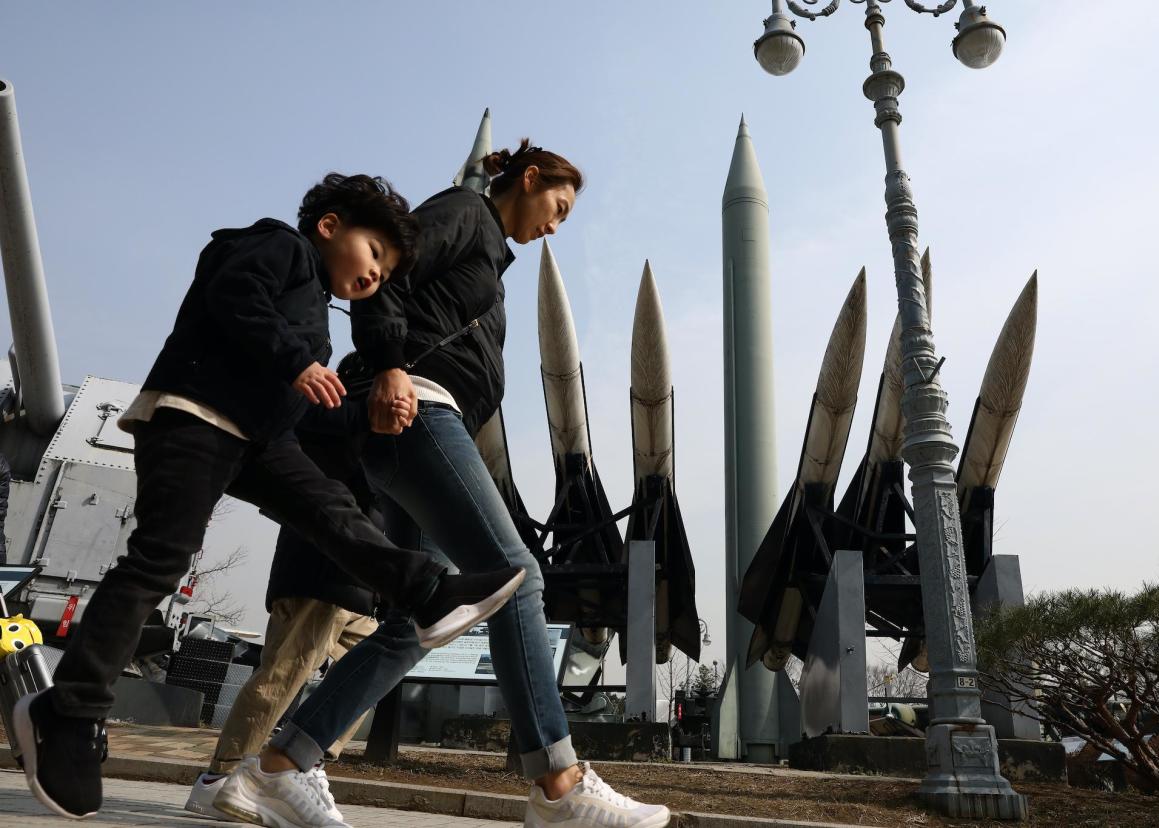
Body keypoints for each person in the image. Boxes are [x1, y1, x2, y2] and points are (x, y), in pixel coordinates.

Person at [12, 173, 526, 821]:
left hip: (259, 434)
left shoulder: (315, 311)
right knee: (159, 561)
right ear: (331, 225)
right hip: (195, 411)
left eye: (389, 270)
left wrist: (364, 416)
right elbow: (235, 296)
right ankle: (67, 709)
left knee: (329, 510)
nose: (377, 277)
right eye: (376, 255)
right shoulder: (275, 246)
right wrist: (297, 362)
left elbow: (307, 418)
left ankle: (428, 593)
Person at [215, 142, 671, 828]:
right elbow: (383, 277)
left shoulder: (493, 254)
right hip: (418, 410)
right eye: (558, 206)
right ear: (527, 180)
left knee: (417, 618)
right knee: (515, 577)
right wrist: (392, 367)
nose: (556, 224)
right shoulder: (466, 212)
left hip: (424, 419)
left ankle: (279, 767)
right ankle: (559, 783)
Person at [184, 401, 386, 822]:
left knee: (365, 680)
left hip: (366, 577)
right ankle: (218, 781)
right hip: (319, 566)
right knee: (283, 675)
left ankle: (303, 764)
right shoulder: (341, 414)